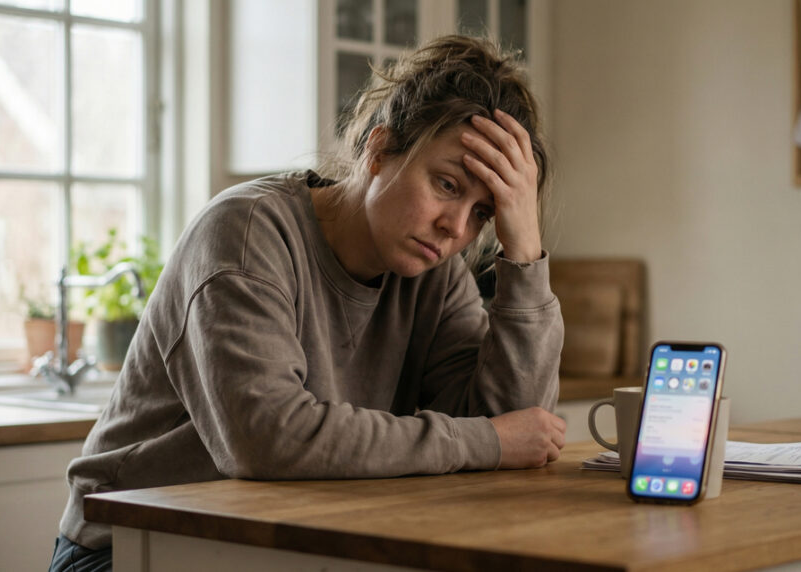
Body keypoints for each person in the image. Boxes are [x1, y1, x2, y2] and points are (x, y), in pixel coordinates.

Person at [48, 35, 565, 571]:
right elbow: (269, 439)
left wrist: (524, 250)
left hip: (277, 546)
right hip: (125, 549)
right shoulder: (246, 233)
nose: (456, 227)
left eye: (484, 213)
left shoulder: (435, 273)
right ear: (379, 150)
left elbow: (514, 432)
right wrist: (487, 440)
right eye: (446, 184)